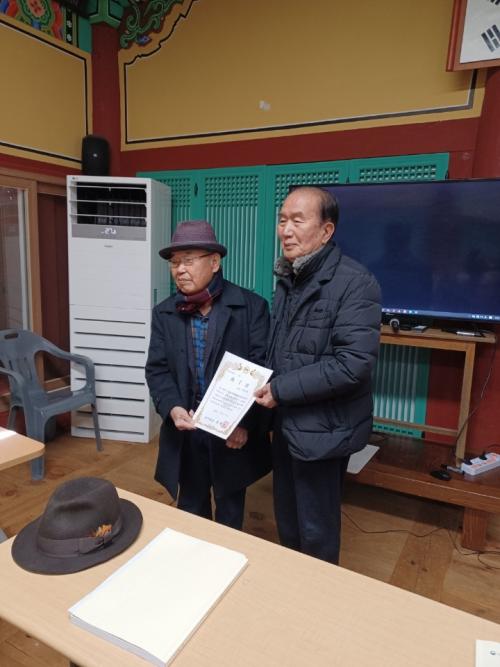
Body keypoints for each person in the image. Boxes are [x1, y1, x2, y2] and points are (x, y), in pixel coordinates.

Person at [255, 186, 381, 564]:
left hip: (325, 429)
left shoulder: (356, 283)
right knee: (288, 520)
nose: (285, 230)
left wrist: (280, 390)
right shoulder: (289, 278)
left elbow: (353, 364)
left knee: (317, 531)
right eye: (282, 220)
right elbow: (282, 348)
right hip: (287, 422)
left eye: (298, 220)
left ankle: (320, 594)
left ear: (326, 231)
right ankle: (295, 587)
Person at [146, 220, 271, 529]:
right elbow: (157, 369)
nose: (179, 270)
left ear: (214, 263)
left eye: (188, 260)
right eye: (174, 262)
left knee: (230, 511)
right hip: (187, 429)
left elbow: (263, 370)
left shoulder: (251, 308)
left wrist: (244, 423)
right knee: (191, 509)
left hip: (231, 433)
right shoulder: (164, 312)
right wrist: (173, 408)